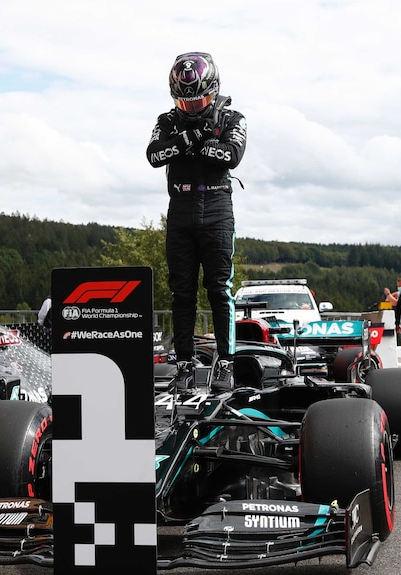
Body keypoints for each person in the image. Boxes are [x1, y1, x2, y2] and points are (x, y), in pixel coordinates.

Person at [146, 52, 248, 391]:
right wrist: (188, 139)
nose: (191, 108)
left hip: (217, 211)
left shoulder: (233, 117)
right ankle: (185, 364)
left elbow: (230, 156)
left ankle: (226, 364)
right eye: (184, 103)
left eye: (198, 101)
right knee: (182, 293)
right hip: (180, 211)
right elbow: (153, 155)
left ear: (213, 89)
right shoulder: (166, 121)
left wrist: (197, 145)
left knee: (220, 290)